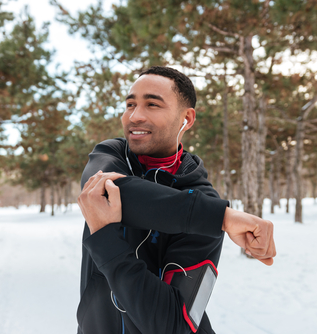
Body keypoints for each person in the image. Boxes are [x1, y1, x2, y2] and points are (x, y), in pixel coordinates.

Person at [77, 66, 276, 334]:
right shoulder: (111, 154)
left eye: (152, 104)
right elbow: (103, 190)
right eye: (130, 104)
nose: (135, 116)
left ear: (187, 118)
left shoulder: (204, 200)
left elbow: (174, 326)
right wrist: (222, 217)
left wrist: (108, 245)